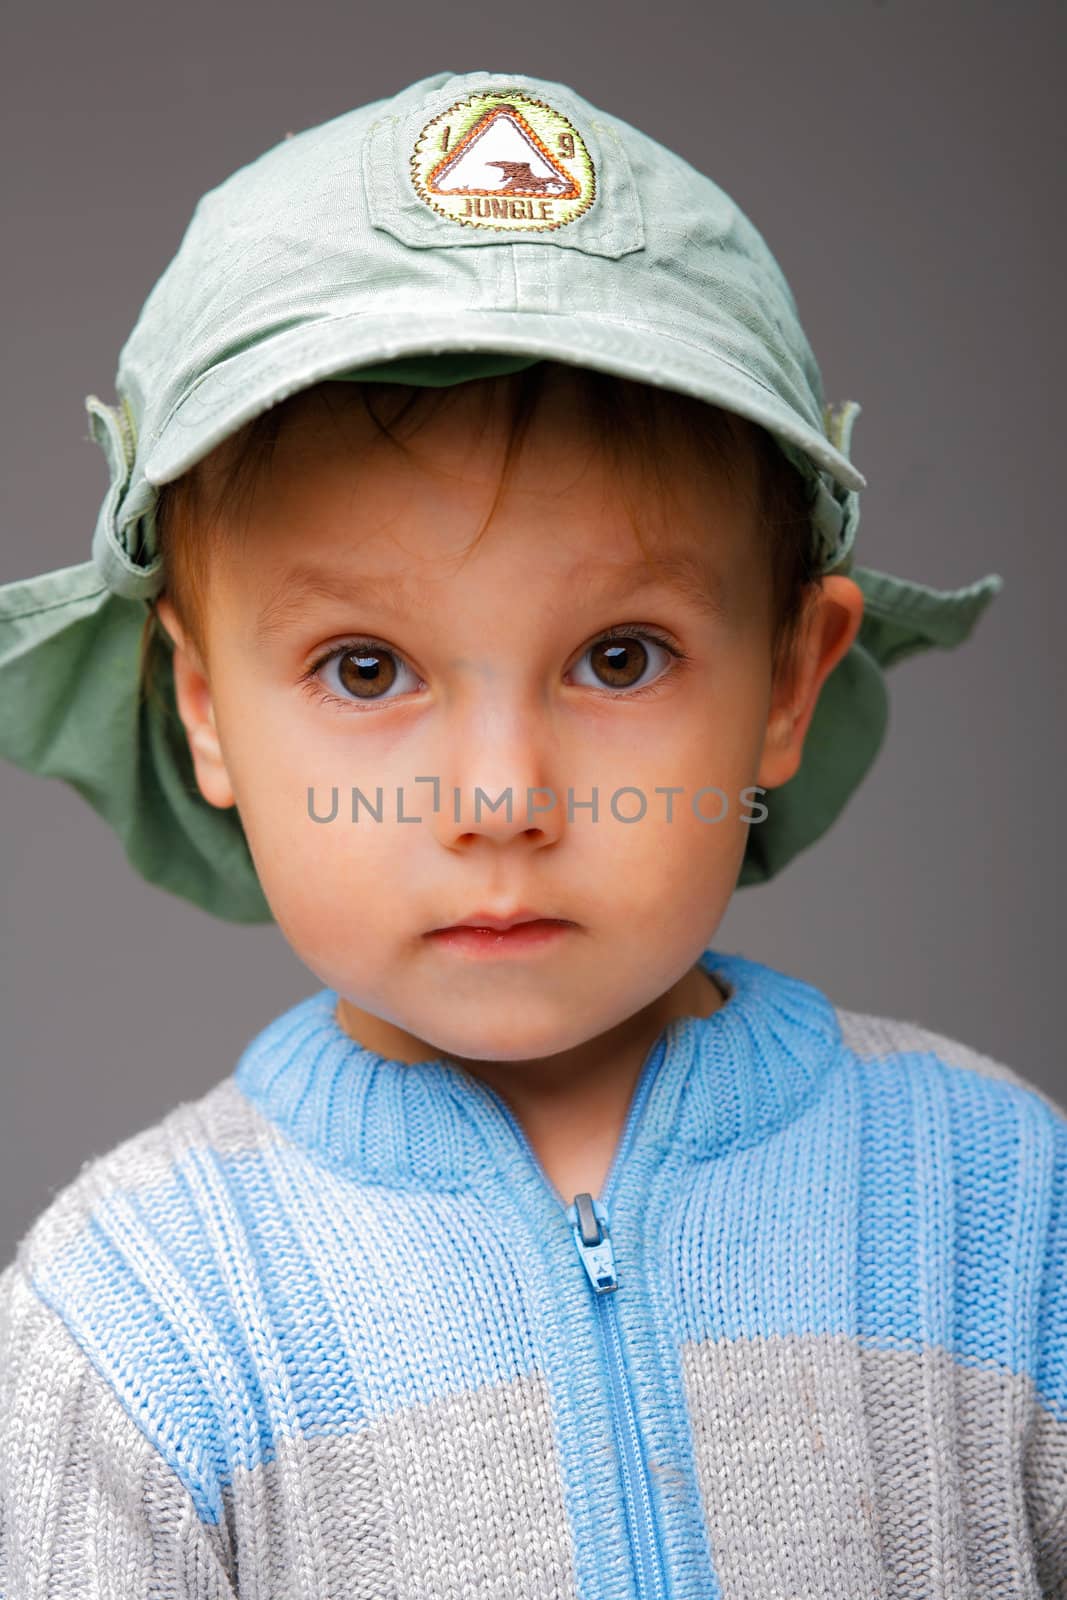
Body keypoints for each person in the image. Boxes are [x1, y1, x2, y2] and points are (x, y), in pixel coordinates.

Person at [0, 69, 1061, 1599]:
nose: (501, 798)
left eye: (619, 657)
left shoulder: (1003, 1214)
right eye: (365, 668)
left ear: (787, 680)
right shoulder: (138, 1321)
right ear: (205, 708)